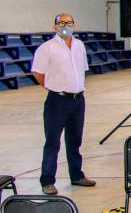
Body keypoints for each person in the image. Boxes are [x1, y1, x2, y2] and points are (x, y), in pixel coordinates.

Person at [31, 13, 96, 195]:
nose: (65, 25)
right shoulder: (47, 48)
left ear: (74, 24)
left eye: (69, 23)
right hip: (57, 101)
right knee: (53, 142)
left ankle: (76, 175)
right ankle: (47, 181)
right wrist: (53, 87)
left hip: (78, 100)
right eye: (61, 23)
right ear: (55, 27)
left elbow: (81, 70)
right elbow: (38, 73)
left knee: (75, 140)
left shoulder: (79, 45)